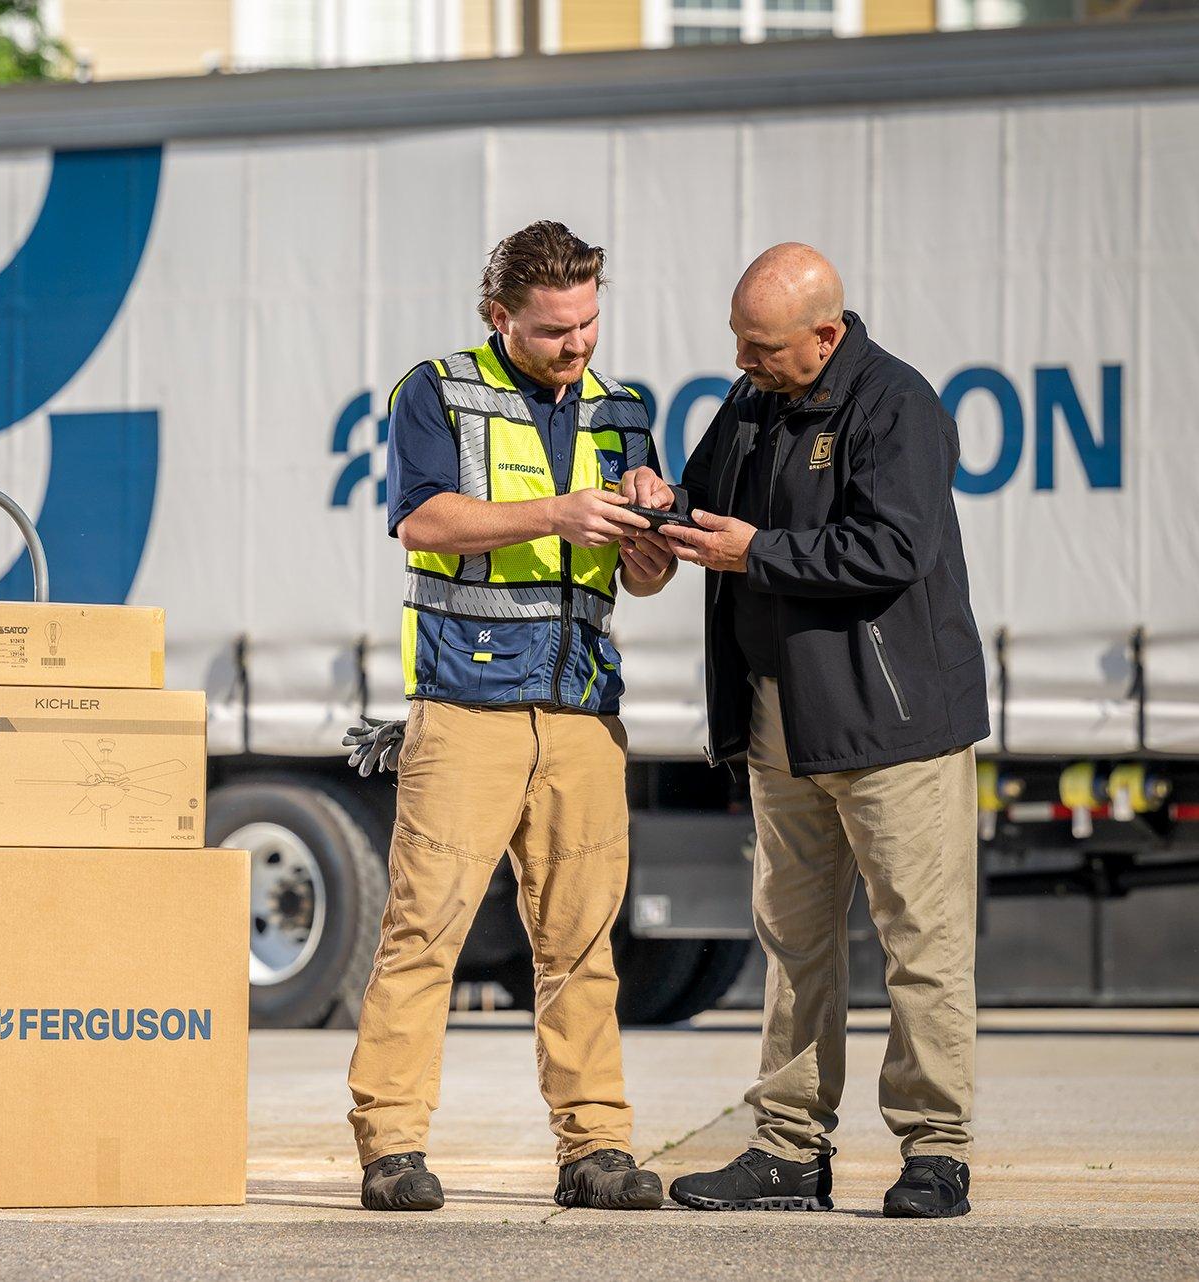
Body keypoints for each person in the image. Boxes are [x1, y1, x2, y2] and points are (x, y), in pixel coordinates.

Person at [626, 243, 988, 1218]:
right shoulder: (753, 404)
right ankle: (789, 1149)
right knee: (792, 940)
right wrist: (666, 512)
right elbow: (708, 505)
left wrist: (761, 552)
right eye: (739, 344)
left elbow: (897, 546)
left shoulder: (895, 403)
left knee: (922, 940)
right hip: (781, 719)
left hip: (894, 724)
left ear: (825, 335)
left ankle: (936, 1151)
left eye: (762, 346)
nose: (744, 362)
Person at [345, 221, 675, 1214]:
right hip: (466, 707)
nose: (576, 345)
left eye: (588, 323)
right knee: (424, 930)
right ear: (500, 317)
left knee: (581, 940)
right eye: (552, 330)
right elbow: (423, 520)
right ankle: (392, 1146)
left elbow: (639, 576)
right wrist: (559, 512)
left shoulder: (626, 410)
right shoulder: (437, 389)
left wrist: (653, 540)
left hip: (582, 707)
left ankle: (597, 1150)